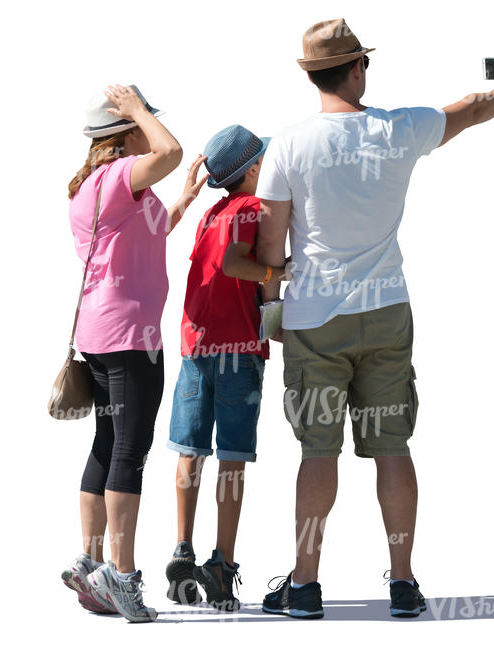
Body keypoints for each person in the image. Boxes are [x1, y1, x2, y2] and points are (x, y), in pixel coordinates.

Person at [255, 18, 494, 618]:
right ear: (356, 69)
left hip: (315, 318)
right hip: (385, 311)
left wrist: (276, 288)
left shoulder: (287, 145)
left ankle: (304, 585)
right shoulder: (399, 128)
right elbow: (471, 111)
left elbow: (272, 254)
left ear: (310, 74)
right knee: (393, 447)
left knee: (317, 454)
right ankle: (402, 582)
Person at [61, 84, 206, 623]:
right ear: (121, 137)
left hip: (101, 334)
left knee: (107, 440)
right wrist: (139, 110)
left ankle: (91, 561)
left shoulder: (98, 188)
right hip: (129, 338)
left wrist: (183, 203)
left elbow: (145, 235)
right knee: (131, 449)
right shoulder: (118, 177)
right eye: (136, 130)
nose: (147, 135)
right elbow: (169, 152)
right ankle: (122, 577)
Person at [164, 125, 287, 611]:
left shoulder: (211, 214)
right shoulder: (256, 210)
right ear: (253, 168)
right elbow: (239, 267)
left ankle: (181, 548)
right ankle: (221, 563)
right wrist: (281, 273)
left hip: (196, 346)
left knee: (189, 450)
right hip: (238, 348)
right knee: (232, 456)